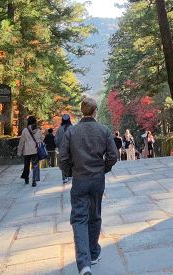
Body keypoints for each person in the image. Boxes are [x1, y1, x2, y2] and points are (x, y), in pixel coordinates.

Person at [58, 97, 119, 275]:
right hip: (97, 179)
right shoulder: (103, 130)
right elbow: (113, 156)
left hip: (80, 179)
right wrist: (103, 168)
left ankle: (84, 263)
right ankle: (93, 253)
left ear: (82, 111)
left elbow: (62, 158)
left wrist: (71, 172)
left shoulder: (72, 132)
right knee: (95, 215)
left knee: (79, 219)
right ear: (95, 111)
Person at [17, 115, 44, 188]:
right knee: (35, 166)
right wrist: (38, 141)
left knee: (26, 165)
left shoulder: (25, 130)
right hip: (35, 150)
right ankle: (34, 181)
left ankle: (26, 178)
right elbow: (42, 138)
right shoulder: (38, 130)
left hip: (27, 151)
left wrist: (19, 152)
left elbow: (21, 142)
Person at [59, 114, 74, 182]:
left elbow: (56, 140)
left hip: (62, 148)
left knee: (63, 161)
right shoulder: (72, 128)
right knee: (71, 160)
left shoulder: (60, 129)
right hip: (71, 147)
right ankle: (71, 174)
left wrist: (59, 145)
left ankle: (64, 176)